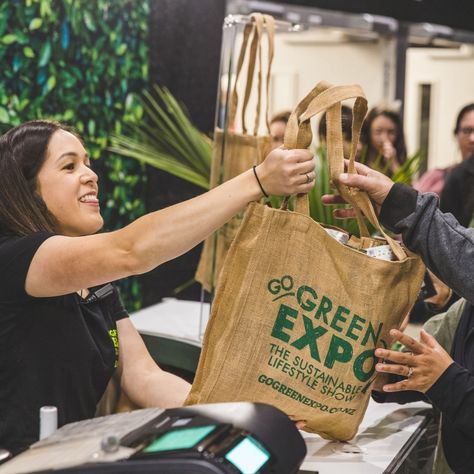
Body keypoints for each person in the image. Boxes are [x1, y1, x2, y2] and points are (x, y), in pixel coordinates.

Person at [0, 120, 316, 455]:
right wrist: (256, 182)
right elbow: (132, 250)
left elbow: (145, 377)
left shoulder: (93, 284)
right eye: (69, 166)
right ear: (27, 188)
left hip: (62, 459)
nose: (91, 175)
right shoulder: (14, 258)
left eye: (88, 163)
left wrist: (246, 412)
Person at [322, 162, 474, 474]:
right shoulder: (462, 314)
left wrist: (448, 382)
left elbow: (444, 376)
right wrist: (378, 372)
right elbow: (418, 364)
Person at [414, 103, 474, 196]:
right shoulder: (436, 179)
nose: (472, 139)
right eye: (467, 130)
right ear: (456, 134)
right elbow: (410, 204)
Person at [359, 106, 407, 177]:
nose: (385, 139)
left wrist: (394, 164)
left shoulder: (400, 157)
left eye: (391, 132)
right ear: (368, 132)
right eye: (378, 131)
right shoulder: (359, 158)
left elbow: (408, 187)